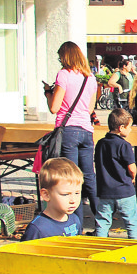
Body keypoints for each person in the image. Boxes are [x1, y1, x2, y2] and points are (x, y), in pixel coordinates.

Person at [47, 42, 99, 217]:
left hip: (68, 130)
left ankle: (75, 221)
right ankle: (101, 218)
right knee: (89, 176)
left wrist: (48, 93)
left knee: (71, 177)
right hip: (86, 130)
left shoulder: (63, 75)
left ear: (65, 56)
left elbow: (55, 107)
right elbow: (90, 109)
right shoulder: (90, 78)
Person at [94, 109, 137, 240]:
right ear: (121, 128)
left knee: (102, 223)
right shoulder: (124, 145)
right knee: (132, 223)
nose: (131, 130)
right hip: (124, 190)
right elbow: (132, 168)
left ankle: (100, 246)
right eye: (129, 127)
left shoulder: (100, 144)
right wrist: (132, 178)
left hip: (105, 191)